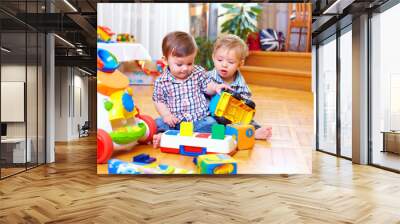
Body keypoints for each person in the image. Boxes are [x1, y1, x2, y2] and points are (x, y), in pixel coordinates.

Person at [152, 31, 230, 148]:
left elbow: (207, 85)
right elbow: (159, 100)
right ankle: (171, 135)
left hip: (198, 121)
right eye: (179, 64)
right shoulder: (161, 81)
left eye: (189, 63)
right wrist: (166, 115)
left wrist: (216, 87)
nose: (185, 68)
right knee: (157, 123)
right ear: (165, 60)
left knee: (211, 123)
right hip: (175, 122)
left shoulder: (197, 72)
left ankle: (173, 138)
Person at [207, 34, 272, 141]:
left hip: (233, 117)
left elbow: (245, 104)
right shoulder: (207, 77)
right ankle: (233, 133)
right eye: (220, 60)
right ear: (213, 58)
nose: (224, 65)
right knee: (207, 122)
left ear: (240, 64)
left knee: (248, 122)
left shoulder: (241, 83)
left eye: (230, 62)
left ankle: (253, 132)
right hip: (212, 115)